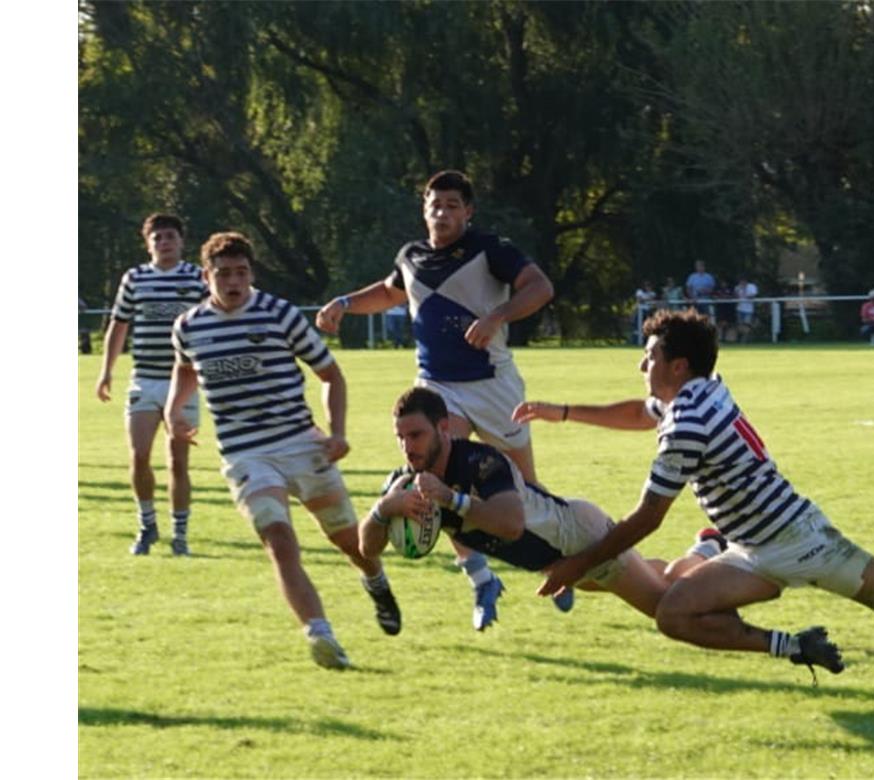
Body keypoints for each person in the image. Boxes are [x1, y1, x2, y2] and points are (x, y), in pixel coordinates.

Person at [511, 309, 874, 677]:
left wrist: (578, 563)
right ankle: (797, 647)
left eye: (651, 356)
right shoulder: (704, 389)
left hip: (803, 542)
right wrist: (562, 412)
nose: (642, 363)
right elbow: (644, 412)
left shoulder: (689, 423)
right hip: (753, 549)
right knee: (675, 612)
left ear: (678, 364)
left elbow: (646, 518)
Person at [313, 169, 568, 628]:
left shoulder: (490, 249)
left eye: (453, 205)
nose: (443, 212)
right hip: (436, 388)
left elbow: (541, 287)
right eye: (435, 204)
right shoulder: (410, 257)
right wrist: (345, 303)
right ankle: (480, 577)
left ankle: (557, 562)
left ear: (468, 212)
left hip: (493, 384)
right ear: (424, 209)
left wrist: (498, 315)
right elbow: (391, 292)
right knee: (434, 473)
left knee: (525, 489)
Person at [167, 231, 396, 669]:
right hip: (244, 454)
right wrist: (175, 410)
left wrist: (338, 432)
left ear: (251, 273)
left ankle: (375, 578)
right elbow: (185, 369)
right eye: (223, 274)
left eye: (241, 273)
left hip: (301, 444)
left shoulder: (280, 314)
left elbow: (331, 375)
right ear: (205, 276)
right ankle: (320, 633)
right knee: (278, 538)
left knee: (349, 541)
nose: (233, 282)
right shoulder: (188, 326)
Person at [361, 387, 674, 629]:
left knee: (666, 608)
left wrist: (451, 499)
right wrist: (384, 509)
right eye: (400, 437)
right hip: (555, 564)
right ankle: (705, 549)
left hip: (579, 538)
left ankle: (714, 573)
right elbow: (368, 548)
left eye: (416, 435)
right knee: (660, 578)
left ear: (443, 427)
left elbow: (511, 524)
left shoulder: (480, 461)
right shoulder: (406, 483)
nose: (407, 447)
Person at [95, 214, 207, 556]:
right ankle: (147, 526)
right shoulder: (135, 278)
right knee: (139, 455)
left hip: (183, 381)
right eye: (157, 237)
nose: (164, 242)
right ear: (148, 243)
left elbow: (214, 316)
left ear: (181, 241)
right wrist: (106, 371)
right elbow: (119, 324)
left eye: (170, 236)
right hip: (144, 378)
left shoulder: (196, 276)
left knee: (178, 460)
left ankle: (180, 534)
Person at [734, 276, 758, 343]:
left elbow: (752, 296)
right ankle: (742, 339)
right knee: (740, 325)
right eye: (740, 281)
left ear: (746, 281)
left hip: (749, 310)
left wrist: (745, 293)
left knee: (747, 325)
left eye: (743, 281)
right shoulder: (737, 287)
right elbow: (736, 297)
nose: (742, 282)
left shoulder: (752, 286)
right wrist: (739, 291)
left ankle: (745, 340)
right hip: (739, 309)